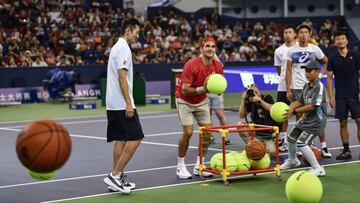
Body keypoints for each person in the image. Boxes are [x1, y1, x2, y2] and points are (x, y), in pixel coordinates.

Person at [103, 18, 143, 194]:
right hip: (121, 103)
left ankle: (116, 179)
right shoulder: (123, 48)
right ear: (128, 30)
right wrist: (128, 103)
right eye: (137, 32)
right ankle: (115, 174)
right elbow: (121, 78)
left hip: (113, 103)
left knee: (121, 138)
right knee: (136, 137)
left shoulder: (117, 47)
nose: (138, 36)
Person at [175, 37, 224, 179]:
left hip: (202, 101)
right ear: (202, 48)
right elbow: (185, 90)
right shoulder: (191, 65)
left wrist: (218, 89)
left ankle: (199, 165)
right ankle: (180, 166)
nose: (210, 49)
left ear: (215, 50)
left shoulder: (218, 66)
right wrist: (204, 88)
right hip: (184, 100)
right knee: (188, 132)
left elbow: (218, 88)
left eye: (213, 47)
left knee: (207, 132)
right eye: (207, 46)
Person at [285, 24, 332, 158]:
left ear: (309, 34)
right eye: (301, 32)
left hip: (313, 85)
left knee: (319, 115)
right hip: (297, 87)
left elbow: (326, 62)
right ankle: (305, 144)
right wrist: (288, 89)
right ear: (297, 35)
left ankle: (323, 146)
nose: (303, 34)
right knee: (301, 118)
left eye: (306, 32)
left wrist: (321, 74)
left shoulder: (315, 48)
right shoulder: (291, 50)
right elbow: (288, 71)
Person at [281, 60, 326, 177]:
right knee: (291, 138)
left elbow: (312, 106)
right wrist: (287, 109)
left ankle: (318, 168)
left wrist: (294, 111)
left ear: (317, 72)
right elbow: (299, 101)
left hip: (316, 122)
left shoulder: (319, 86)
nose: (306, 73)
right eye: (305, 71)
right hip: (306, 120)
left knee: (301, 142)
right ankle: (292, 161)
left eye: (309, 71)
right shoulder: (306, 86)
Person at [327, 31, 360, 160]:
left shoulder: (356, 56)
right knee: (343, 123)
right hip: (340, 96)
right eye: (338, 39)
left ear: (346, 41)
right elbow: (329, 78)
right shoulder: (332, 58)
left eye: (342, 39)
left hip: (355, 95)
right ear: (335, 42)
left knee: (359, 121)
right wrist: (330, 96)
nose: (340, 41)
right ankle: (346, 151)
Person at [274, 24, 296, 152]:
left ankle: (301, 141)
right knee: (283, 115)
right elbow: (279, 70)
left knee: (300, 114)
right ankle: (283, 140)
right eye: (285, 32)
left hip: (298, 86)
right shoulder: (278, 51)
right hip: (283, 86)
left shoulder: (299, 49)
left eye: (290, 32)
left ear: (294, 35)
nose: (287, 34)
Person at [239, 84, 278, 154]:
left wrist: (259, 100)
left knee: (272, 151)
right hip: (256, 131)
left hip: (268, 133)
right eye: (251, 93)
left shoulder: (267, 97)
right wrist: (243, 100)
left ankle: (260, 146)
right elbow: (241, 115)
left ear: (259, 92)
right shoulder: (250, 102)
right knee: (240, 125)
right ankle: (252, 147)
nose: (254, 94)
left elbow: (272, 109)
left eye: (256, 92)